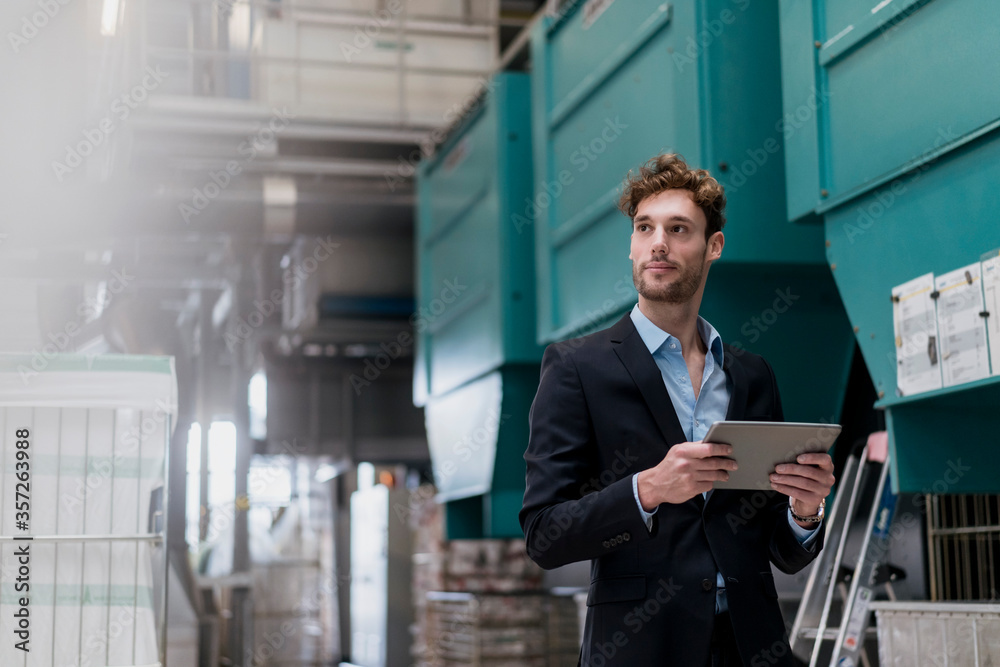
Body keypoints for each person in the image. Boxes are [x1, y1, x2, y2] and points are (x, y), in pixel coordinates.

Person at [519, 154, 836, 666]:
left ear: (714, 246)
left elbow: (779, 551)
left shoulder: (752, 375)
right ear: (632, 245)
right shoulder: (577, 368)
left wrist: (805, 509)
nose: (658, 242)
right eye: (644, 227)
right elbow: (544, 536)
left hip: (753, 649)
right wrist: (646, 490)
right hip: (641, 650)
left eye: (678, 228)